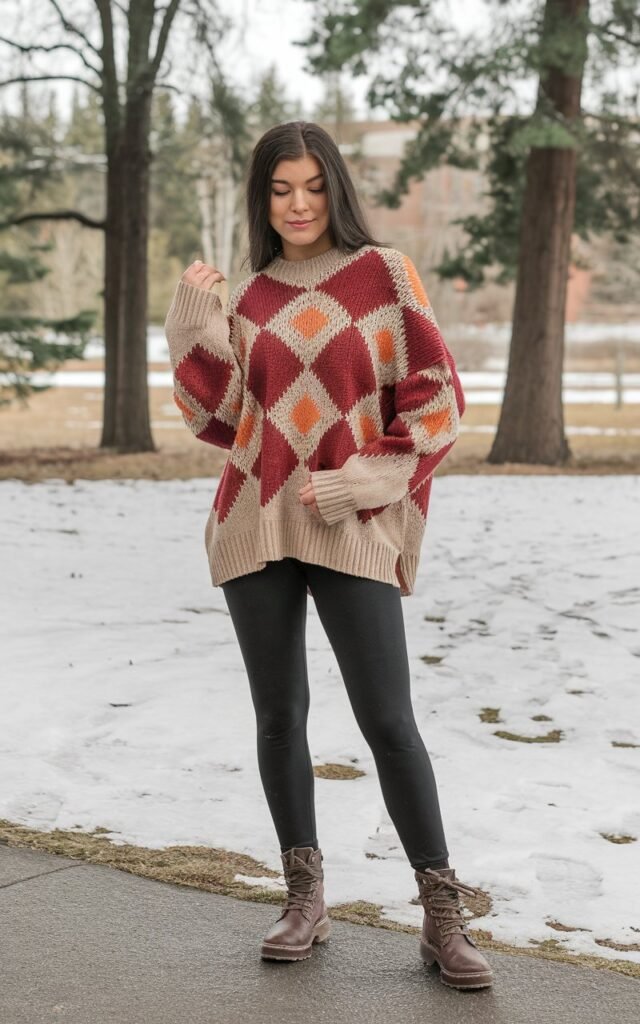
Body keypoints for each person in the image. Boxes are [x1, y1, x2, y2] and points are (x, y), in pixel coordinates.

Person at [164, 120, 494, 990]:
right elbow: (217, 420)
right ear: (262, 198)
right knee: (280, 717)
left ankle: (441, 915)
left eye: (313, 186)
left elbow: (438, 400)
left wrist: (359, 483)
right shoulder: (250, 295)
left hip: (349, 524)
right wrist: (194, 324)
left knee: (388, 720)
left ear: (335, 189)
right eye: (281, 189)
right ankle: (304, 899)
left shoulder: (384, 276)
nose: (298, 204)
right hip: (254, 520)